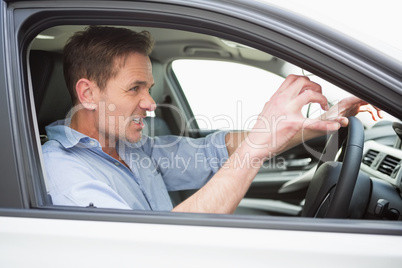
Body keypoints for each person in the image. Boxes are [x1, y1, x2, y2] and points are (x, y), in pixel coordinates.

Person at [42, 26, 381, 214]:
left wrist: (317, 123)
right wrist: (260, 143)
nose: (150, 104)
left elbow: (216, 149)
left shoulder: (133, 148)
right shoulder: (63, 174)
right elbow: (152, 250)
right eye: (135, 89)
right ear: (87, 94)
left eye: (149, 88)